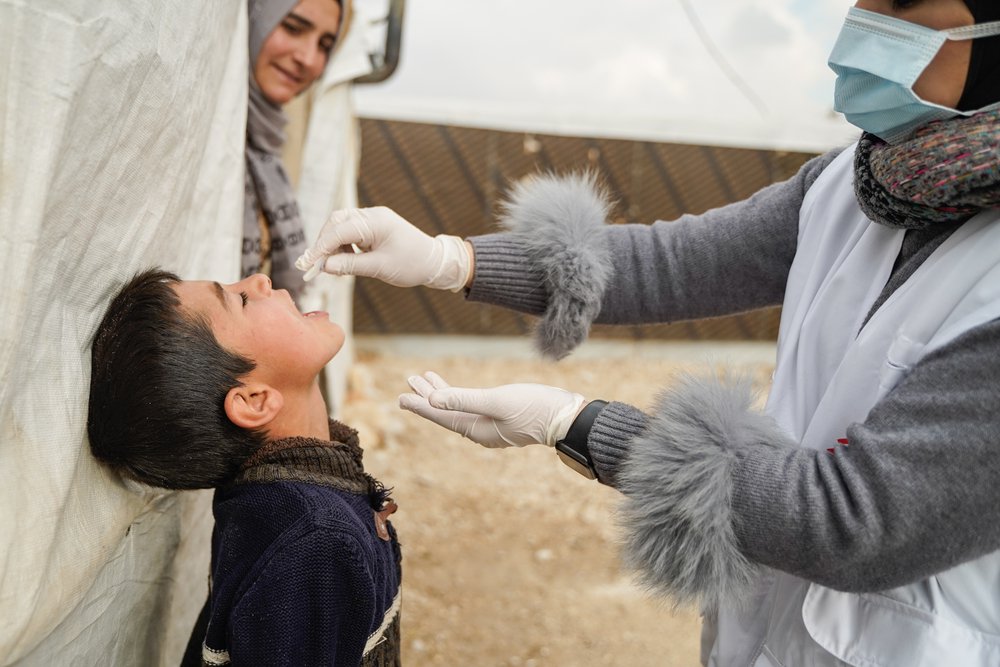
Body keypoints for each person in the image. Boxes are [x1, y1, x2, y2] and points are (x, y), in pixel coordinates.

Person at [295, 0, 1000, 664]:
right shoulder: (857, 183)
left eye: (902, 5)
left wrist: (575, 422)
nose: (859, 25)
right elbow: (673, 262)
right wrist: (448, 259)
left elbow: (850, 518)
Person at [86, 269, 401, 666]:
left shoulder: (267, 497)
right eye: (241, 300)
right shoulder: (315, 541)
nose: (260, 280)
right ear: (253, 401)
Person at [244, 0, 345, 299]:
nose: (309, 59)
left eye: (325, 45)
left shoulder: (268, 146)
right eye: (293, 28)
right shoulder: (209, 139)